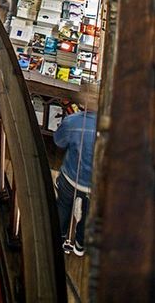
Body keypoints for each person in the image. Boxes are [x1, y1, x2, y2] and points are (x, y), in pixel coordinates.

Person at [54, 86, 99, 257]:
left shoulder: (72, 122)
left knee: (63, 207)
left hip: (71, 177)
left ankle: (60, 238)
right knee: (88, 215)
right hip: (94, 184)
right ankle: (80, 244)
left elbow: (59, 141)